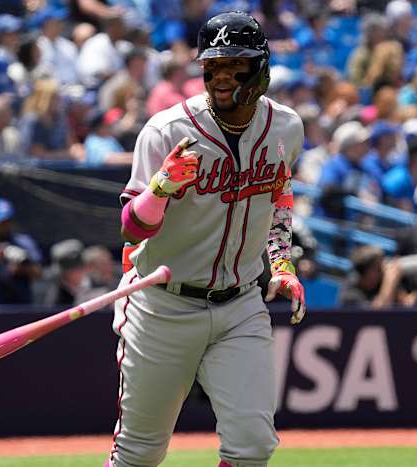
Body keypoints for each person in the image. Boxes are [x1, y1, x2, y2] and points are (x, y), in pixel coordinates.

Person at [110, 12, 305, 467]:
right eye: (213, 66)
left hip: (240, 304)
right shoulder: (166, 131)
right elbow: (131, 228)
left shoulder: (287, 127)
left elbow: (279, 196)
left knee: (253, 447)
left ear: (260, 68)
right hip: (164, 305)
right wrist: (160, 188)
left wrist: (281, 263)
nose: (221, 77)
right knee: (138, 455)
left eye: (234, 65)